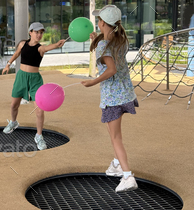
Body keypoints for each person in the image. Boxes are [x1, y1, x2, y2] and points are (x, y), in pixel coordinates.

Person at [81, 5, 139, 192]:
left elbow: (111, 69)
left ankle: (128, 176)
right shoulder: (120, 40)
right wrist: (97, 39)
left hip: (113, 97)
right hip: (125, 94)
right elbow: (108, 50)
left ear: (102, 23)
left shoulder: (103, 45)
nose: (98, 22)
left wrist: (93, 82)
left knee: (115, 137)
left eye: (99, 20)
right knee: (113, 133)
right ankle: (116, 164)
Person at [2, 22, 65, 150]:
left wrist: (57, 44)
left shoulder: (40, 48)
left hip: (35, 80)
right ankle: (13, 122)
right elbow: (16, 54)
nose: (39, 34)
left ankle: (39, 136)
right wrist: (8, 64)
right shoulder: (22, 44)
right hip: (21, 77)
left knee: (39, 109)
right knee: (14, 105)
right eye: (36, 32)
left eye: (41, 32)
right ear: (30, 32)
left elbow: (48, 47)